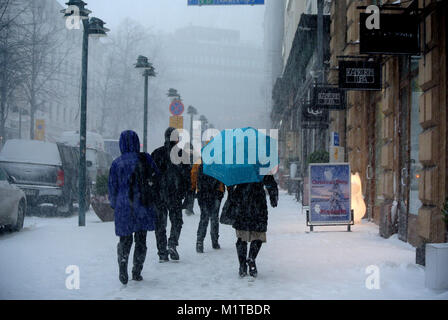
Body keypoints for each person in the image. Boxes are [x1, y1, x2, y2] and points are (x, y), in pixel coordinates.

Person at [108, 130, 159, 285]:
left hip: (124, 206)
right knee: (141, 239)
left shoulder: (117, 163)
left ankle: (123, 264)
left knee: (125, 239)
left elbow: (112, 187)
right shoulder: (145, 159)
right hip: (142, 204)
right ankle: (137, 270)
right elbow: (156, 177)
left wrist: (114, 204)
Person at [151, 127, 190, 262]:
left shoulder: (157, 153)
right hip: (175, 194)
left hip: (159, 194)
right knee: (177, 221)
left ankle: (162, 251)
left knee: (160, 224)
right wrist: (186, 193)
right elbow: (187, 176)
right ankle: (172, 243)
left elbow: (150, 175)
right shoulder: (182, 154)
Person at [231, 175, 278, 278]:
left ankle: (242, 265)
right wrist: (273, 196)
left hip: (242, 201)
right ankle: (251, 258)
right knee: (258, 234)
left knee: (242, 236)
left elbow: (231, 181)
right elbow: (270, 182)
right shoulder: (261, 164)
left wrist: (232, 197)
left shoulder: (239, 163)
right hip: (257, 202)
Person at [191, 160, 225, 253]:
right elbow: (224, 175)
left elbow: (193, 175)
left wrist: (193, 188)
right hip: (217, 192)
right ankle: (215, 241)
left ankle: (199, 242)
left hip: (203, 193)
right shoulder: (220, 162)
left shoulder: (199, 161)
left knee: (204, 217)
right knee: (214, 218)